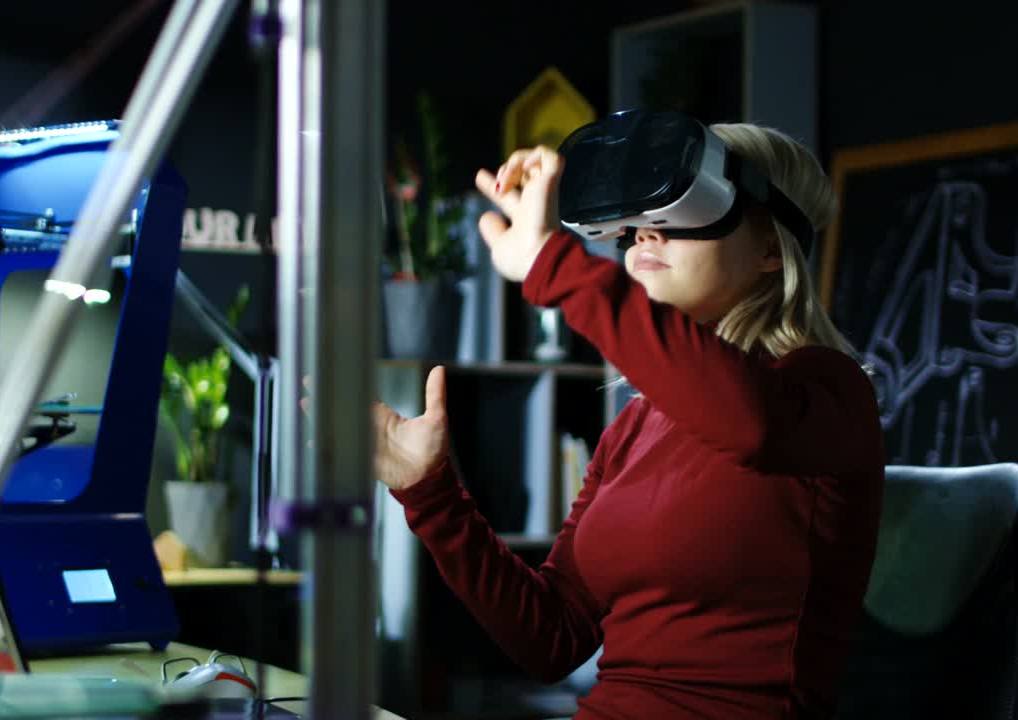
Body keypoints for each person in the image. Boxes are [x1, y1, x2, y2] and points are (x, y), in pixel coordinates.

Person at [372, 118, 885, 719]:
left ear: (771, 247)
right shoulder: (638, 425)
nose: (646, 235)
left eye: (686, 210)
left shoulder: (826, 390)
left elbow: (750, 424)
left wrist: (554, 267)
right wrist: (429, 493)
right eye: (640, 219)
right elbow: (551, 637)